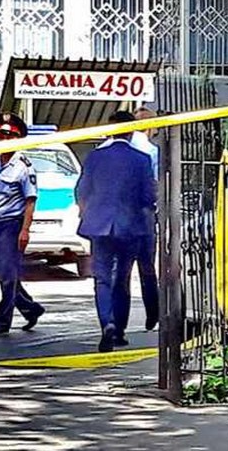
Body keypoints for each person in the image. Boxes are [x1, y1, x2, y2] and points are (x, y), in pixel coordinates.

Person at [76, 111, 157, 352]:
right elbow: (148, 196)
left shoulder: (95, 157)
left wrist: (89, 212)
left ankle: (107, 323)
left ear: (111, 130)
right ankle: (119, 330)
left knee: (101, 278)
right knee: (122, 278)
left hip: (99, 226)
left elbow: (82, 190)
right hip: (130, 227)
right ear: (132, 132)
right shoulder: (141, 159)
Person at [0, 112, 46, 335]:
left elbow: (30, 201)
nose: (3, 139)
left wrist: (25, 230)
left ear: (18, 138)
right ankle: (30, 308)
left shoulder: (23, 166)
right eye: (0, 135)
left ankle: (2, 321)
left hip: (12, 225)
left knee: (8, 276)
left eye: (9, 135)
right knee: (0, 272)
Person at [98, 107, 161, 331]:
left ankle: (116, 323)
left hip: (112, 218)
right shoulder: (149, 151)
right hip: (141, 217)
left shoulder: (102, 149)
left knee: (118, 273)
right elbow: (153, 187)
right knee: (147, 268)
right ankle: (153, 314)